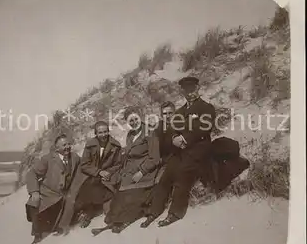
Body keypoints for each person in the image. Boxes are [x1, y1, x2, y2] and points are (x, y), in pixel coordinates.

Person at [141, 76, 216, 228]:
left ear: (198, 88)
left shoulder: (206, 108)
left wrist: (184, 138)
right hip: (181, 150)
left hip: (199, 149)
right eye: (187, 90)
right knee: (167, 176)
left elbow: (204, 128)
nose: (190, 93)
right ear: (183, 92)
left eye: (193, 89)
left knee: (183, 174)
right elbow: (173, 129)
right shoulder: (180, 111)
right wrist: (175, 137)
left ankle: (175, 213)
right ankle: (154, 211)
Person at [91, 106, 163, 235]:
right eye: (131, 121)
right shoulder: (130, 134)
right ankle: (115, 221)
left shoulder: (150, 132)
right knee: (120, 195)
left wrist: (141, 172)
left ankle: (125, 220)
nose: (134, 123)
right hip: (131, 170)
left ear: (140, 117)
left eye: (136, 119)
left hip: (146, 171)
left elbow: (155, 158)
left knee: (131, 197)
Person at [25, 134, 81, 244]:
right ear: (57, 148)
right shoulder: (47, 159)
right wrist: (34, 192)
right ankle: (37, 235)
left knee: (71, 204)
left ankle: (62, 228)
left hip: (64, 194)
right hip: (47, 193)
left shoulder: (75, 157)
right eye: (64, 145)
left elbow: (85, 166)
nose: (67, 147)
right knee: (33, 202)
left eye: (69, 144)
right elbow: (32, 173)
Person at [73, 121, 123, 228]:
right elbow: (84, 164)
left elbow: (118, 164)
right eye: (100, 132)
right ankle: (87, 212)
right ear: (96, 133)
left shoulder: (115, 145)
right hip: (92, 174)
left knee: (107, 190)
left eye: (105, 132)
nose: (103, 135)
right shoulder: (90, 144)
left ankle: (107, 211)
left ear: (108, 132)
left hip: (109, 174)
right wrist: (99, 172)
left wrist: (108, 172)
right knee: (86, 187)